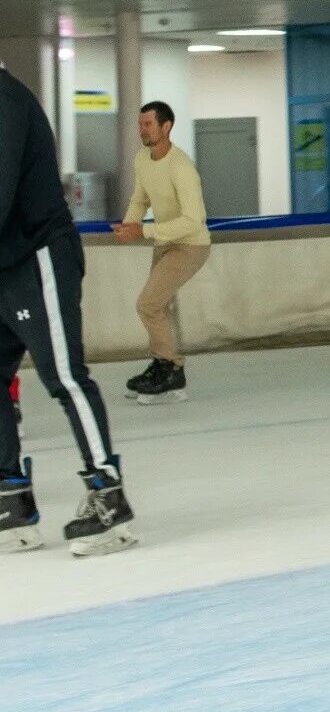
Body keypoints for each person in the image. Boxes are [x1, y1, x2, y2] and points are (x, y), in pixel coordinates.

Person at [0, 68, 135, 556]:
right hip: (4, 261)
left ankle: (107, 494)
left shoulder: (6, 99)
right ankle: (10, 497)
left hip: (39, 258)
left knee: (64, 376)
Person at [113, 100, 211, 401]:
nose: (142, 130)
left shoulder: (182, 167)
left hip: (190, 245)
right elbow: (140, 198)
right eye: (140, 124)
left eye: (148, 124)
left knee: (148, 304)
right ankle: (160, 364)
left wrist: (143, 230)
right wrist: (130, 224)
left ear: (166, 127)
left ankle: (172, 370)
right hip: (164, 241)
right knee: (158, 307)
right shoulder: (143, 158)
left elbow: (194, 220)